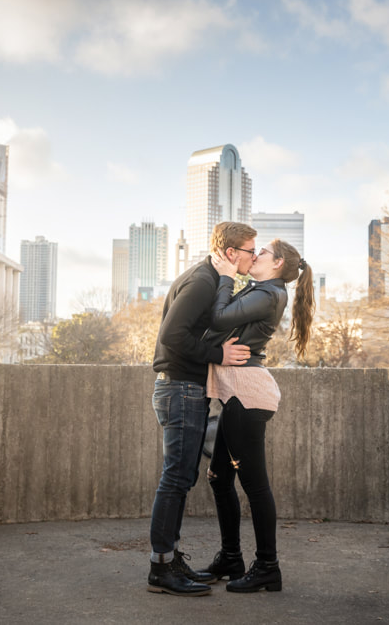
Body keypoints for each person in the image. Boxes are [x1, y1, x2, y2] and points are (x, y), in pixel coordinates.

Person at [147, 221, 258, 597]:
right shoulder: (202, 281)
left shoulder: (211, 277)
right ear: (231, 253)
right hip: (179, 389)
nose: (254, 256)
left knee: (181, 478)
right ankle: (161, 568)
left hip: (186, 388)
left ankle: (170, 559)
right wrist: (218, 354)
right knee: (176, 479)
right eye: (250, 250)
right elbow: (171, 335)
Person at [202, 239, 314, 593]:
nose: (255, 255)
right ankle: (231, 557)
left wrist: (224, 277)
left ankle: (268, 566)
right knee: (220, 479)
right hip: (237, 392)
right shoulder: (263, 289)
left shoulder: (268, 293)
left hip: (246, 394)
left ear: (277, 262)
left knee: (255, 485)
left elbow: (219, 317)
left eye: (262, 252)